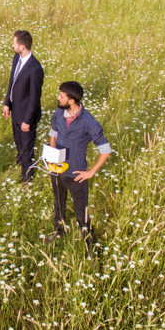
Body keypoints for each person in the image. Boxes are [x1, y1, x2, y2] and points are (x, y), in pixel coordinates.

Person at [45, 81, 112, 252]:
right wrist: (52, 154)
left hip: (76, 174)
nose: (58, 98)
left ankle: (92, 248)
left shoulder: (88, 121)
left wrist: (91, 172)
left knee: (82, 214)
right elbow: (53, 133)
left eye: (61, 96)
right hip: (57, 170)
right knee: (58, 205)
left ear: (72, 100)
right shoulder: (59, 113)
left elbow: (105, 150)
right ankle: (59, 232)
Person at [3, 30, 44, 183]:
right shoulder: (17, 58)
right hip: (16, 111)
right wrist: (8, 102)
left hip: (27, 116)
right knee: (18, 142)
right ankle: (20, 163)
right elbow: (12, 82)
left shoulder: (35, 69)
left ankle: (27, 180)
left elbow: (34, 98)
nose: (12, 45)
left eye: (14, 43)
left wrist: (27, 120)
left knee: (27, 149)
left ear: (22, 46)